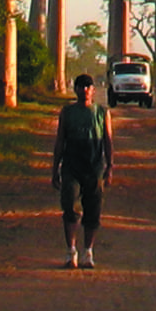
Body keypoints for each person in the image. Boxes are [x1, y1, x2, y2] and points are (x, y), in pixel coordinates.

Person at [51, 73, 114, 269]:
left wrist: (110, 166)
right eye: (80, 86)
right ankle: (71, 251)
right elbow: (60, 140)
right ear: (75, 89)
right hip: (71, 166)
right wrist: (55, 169)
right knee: (69, 206)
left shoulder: (102, 113)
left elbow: (108, 141)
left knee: (93, 210)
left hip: (94, 166)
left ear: (93, 90)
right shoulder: (67, 112)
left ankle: (88, 252)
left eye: (88, 86)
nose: (84, 90)